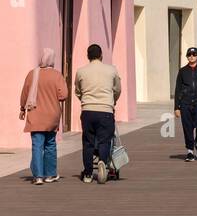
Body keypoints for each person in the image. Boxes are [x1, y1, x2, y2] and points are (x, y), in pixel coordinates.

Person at [19, 48, 69, 184]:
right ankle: (50, 174)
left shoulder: (32, 74)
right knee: (50, 144)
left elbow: (24, 94)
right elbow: (63, 95)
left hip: (35, 115)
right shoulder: (57, 75)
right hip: (52, 115)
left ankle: (38, 176)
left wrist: (22, 108)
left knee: (37, 145)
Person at [74, 43, 121, 184]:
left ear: (87, 56)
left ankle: (88, 174)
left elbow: (77, 90)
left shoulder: (81, 71)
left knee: (88, 142)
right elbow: (117, 89)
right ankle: (102, 161)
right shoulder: (112, 70)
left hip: (88, 110)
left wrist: (85, 100)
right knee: (105, 140)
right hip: (105, 110)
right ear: (101, 55)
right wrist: (113, 101)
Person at [173, 46, 197, 161]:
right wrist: (176, 107)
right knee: (187, 128)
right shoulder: (182, 71)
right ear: (187, 56)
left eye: (194, 55)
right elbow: (178, 89)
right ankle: (190, 151)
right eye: (189, 55)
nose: (192, 57)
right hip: (185, 103)